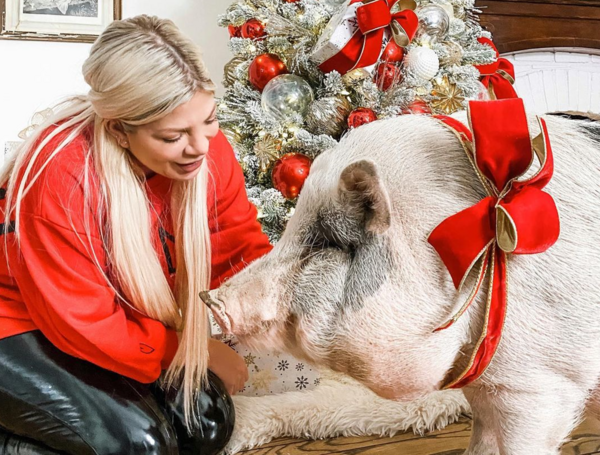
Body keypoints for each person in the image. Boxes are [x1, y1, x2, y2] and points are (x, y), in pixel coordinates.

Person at [0, 15, 272, 455]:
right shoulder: (61, 174)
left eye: (209, 120)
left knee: (207, 423)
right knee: (138, 445)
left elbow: (236, 248)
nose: (201, 145)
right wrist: (189, 350)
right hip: (18, 322)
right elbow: (81, 322)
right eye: (172, 136)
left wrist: (284, 293)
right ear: (118, 132)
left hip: (105, 318)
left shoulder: (207, 154)